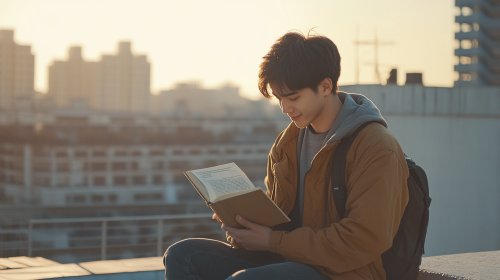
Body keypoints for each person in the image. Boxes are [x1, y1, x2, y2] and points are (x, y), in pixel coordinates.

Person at [163, 31, 409, 280]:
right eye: (279, 98)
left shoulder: (375, 147)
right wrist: (240, 224)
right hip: (284, 259)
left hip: (343, 272)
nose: (284, 108)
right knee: (182, 256)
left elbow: (364, 239)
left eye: (293, 97)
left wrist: (273, 241)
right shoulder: (287, 143)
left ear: (325, 86)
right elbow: (277, 221)